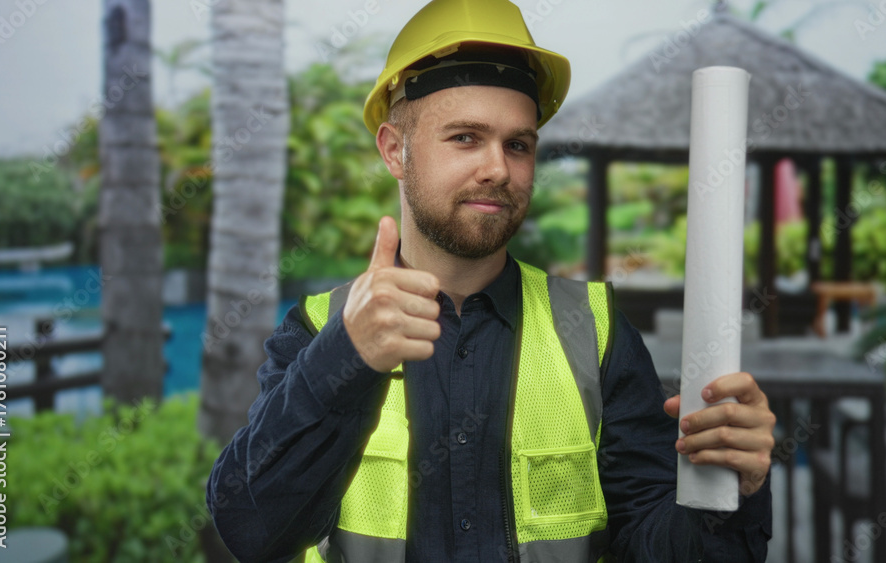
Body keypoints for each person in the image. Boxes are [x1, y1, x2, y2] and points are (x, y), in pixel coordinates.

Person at [206, 0, 775, 561]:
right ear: (393, 150)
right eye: (465, 138)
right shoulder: (317, 332)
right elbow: (253, 530)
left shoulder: (595, 333)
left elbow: (656, 548)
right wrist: (346, 358)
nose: (497, 169)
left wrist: (732, 492)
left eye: (518, 145)